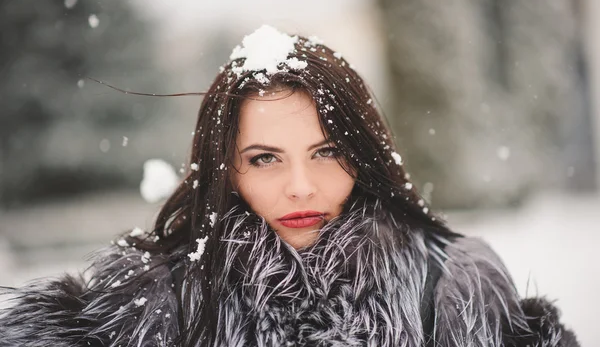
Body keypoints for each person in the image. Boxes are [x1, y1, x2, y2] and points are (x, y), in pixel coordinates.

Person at [0, 25, 579, 346]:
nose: (301, 187)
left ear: (364, 156)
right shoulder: (155, 304)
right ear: (226, 168)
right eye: (265, 158)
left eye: (326, 151)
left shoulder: (453, 291)